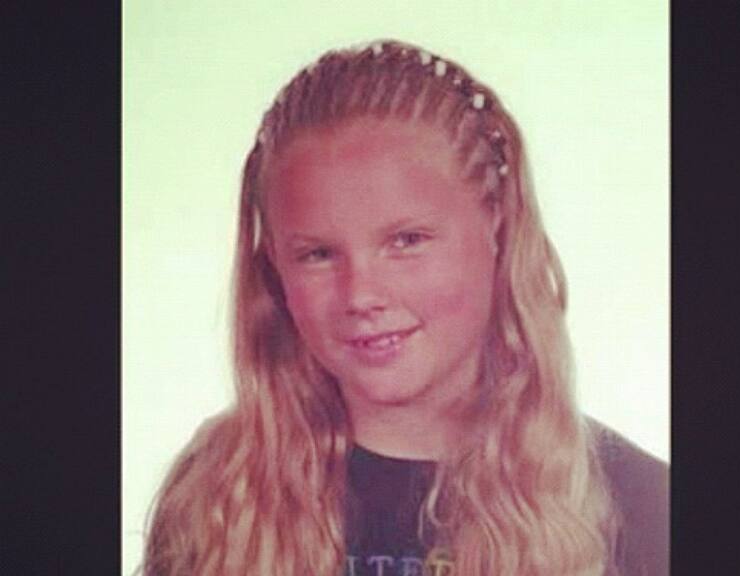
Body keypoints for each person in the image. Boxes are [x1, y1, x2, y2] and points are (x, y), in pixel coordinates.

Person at [142, 39, 668, 576]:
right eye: (318, 254)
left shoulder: (643, 511)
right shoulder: (217, 499)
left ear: (497, 222)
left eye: (407, 241)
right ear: (274, 262)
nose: (360, 295)